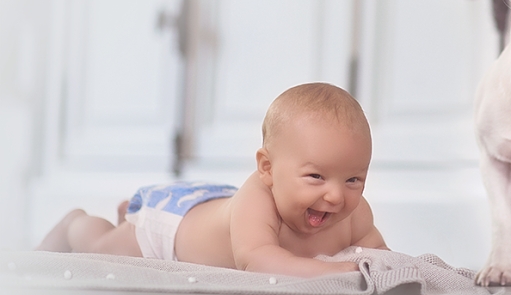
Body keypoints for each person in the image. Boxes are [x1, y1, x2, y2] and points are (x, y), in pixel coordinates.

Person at [37, 82, 388, 277]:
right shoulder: (259, 200)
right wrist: (336, 271)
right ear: (267, 169)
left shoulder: (355, 214)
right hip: (170, 228)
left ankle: (123, 213)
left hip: (215, 206)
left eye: (354, 180)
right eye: (316, 177)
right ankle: (77, 223)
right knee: (100, 250)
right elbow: (259, 260)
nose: (335, 197)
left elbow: (379, 253)